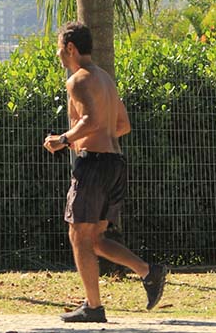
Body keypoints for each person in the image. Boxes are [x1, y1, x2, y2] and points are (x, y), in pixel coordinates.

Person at [43, 22, 166, 323]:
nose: (58, 53)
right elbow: (121, 124)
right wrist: (95, 134)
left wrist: (63, 140)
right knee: (95, 239)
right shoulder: (105, 79)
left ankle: (94, 308)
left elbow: (91, 119)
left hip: (94, 164)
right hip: (114, 163)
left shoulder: (78, 80)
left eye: (59, 48)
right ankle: (149, 272)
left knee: (78, 236)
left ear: (70, 48)